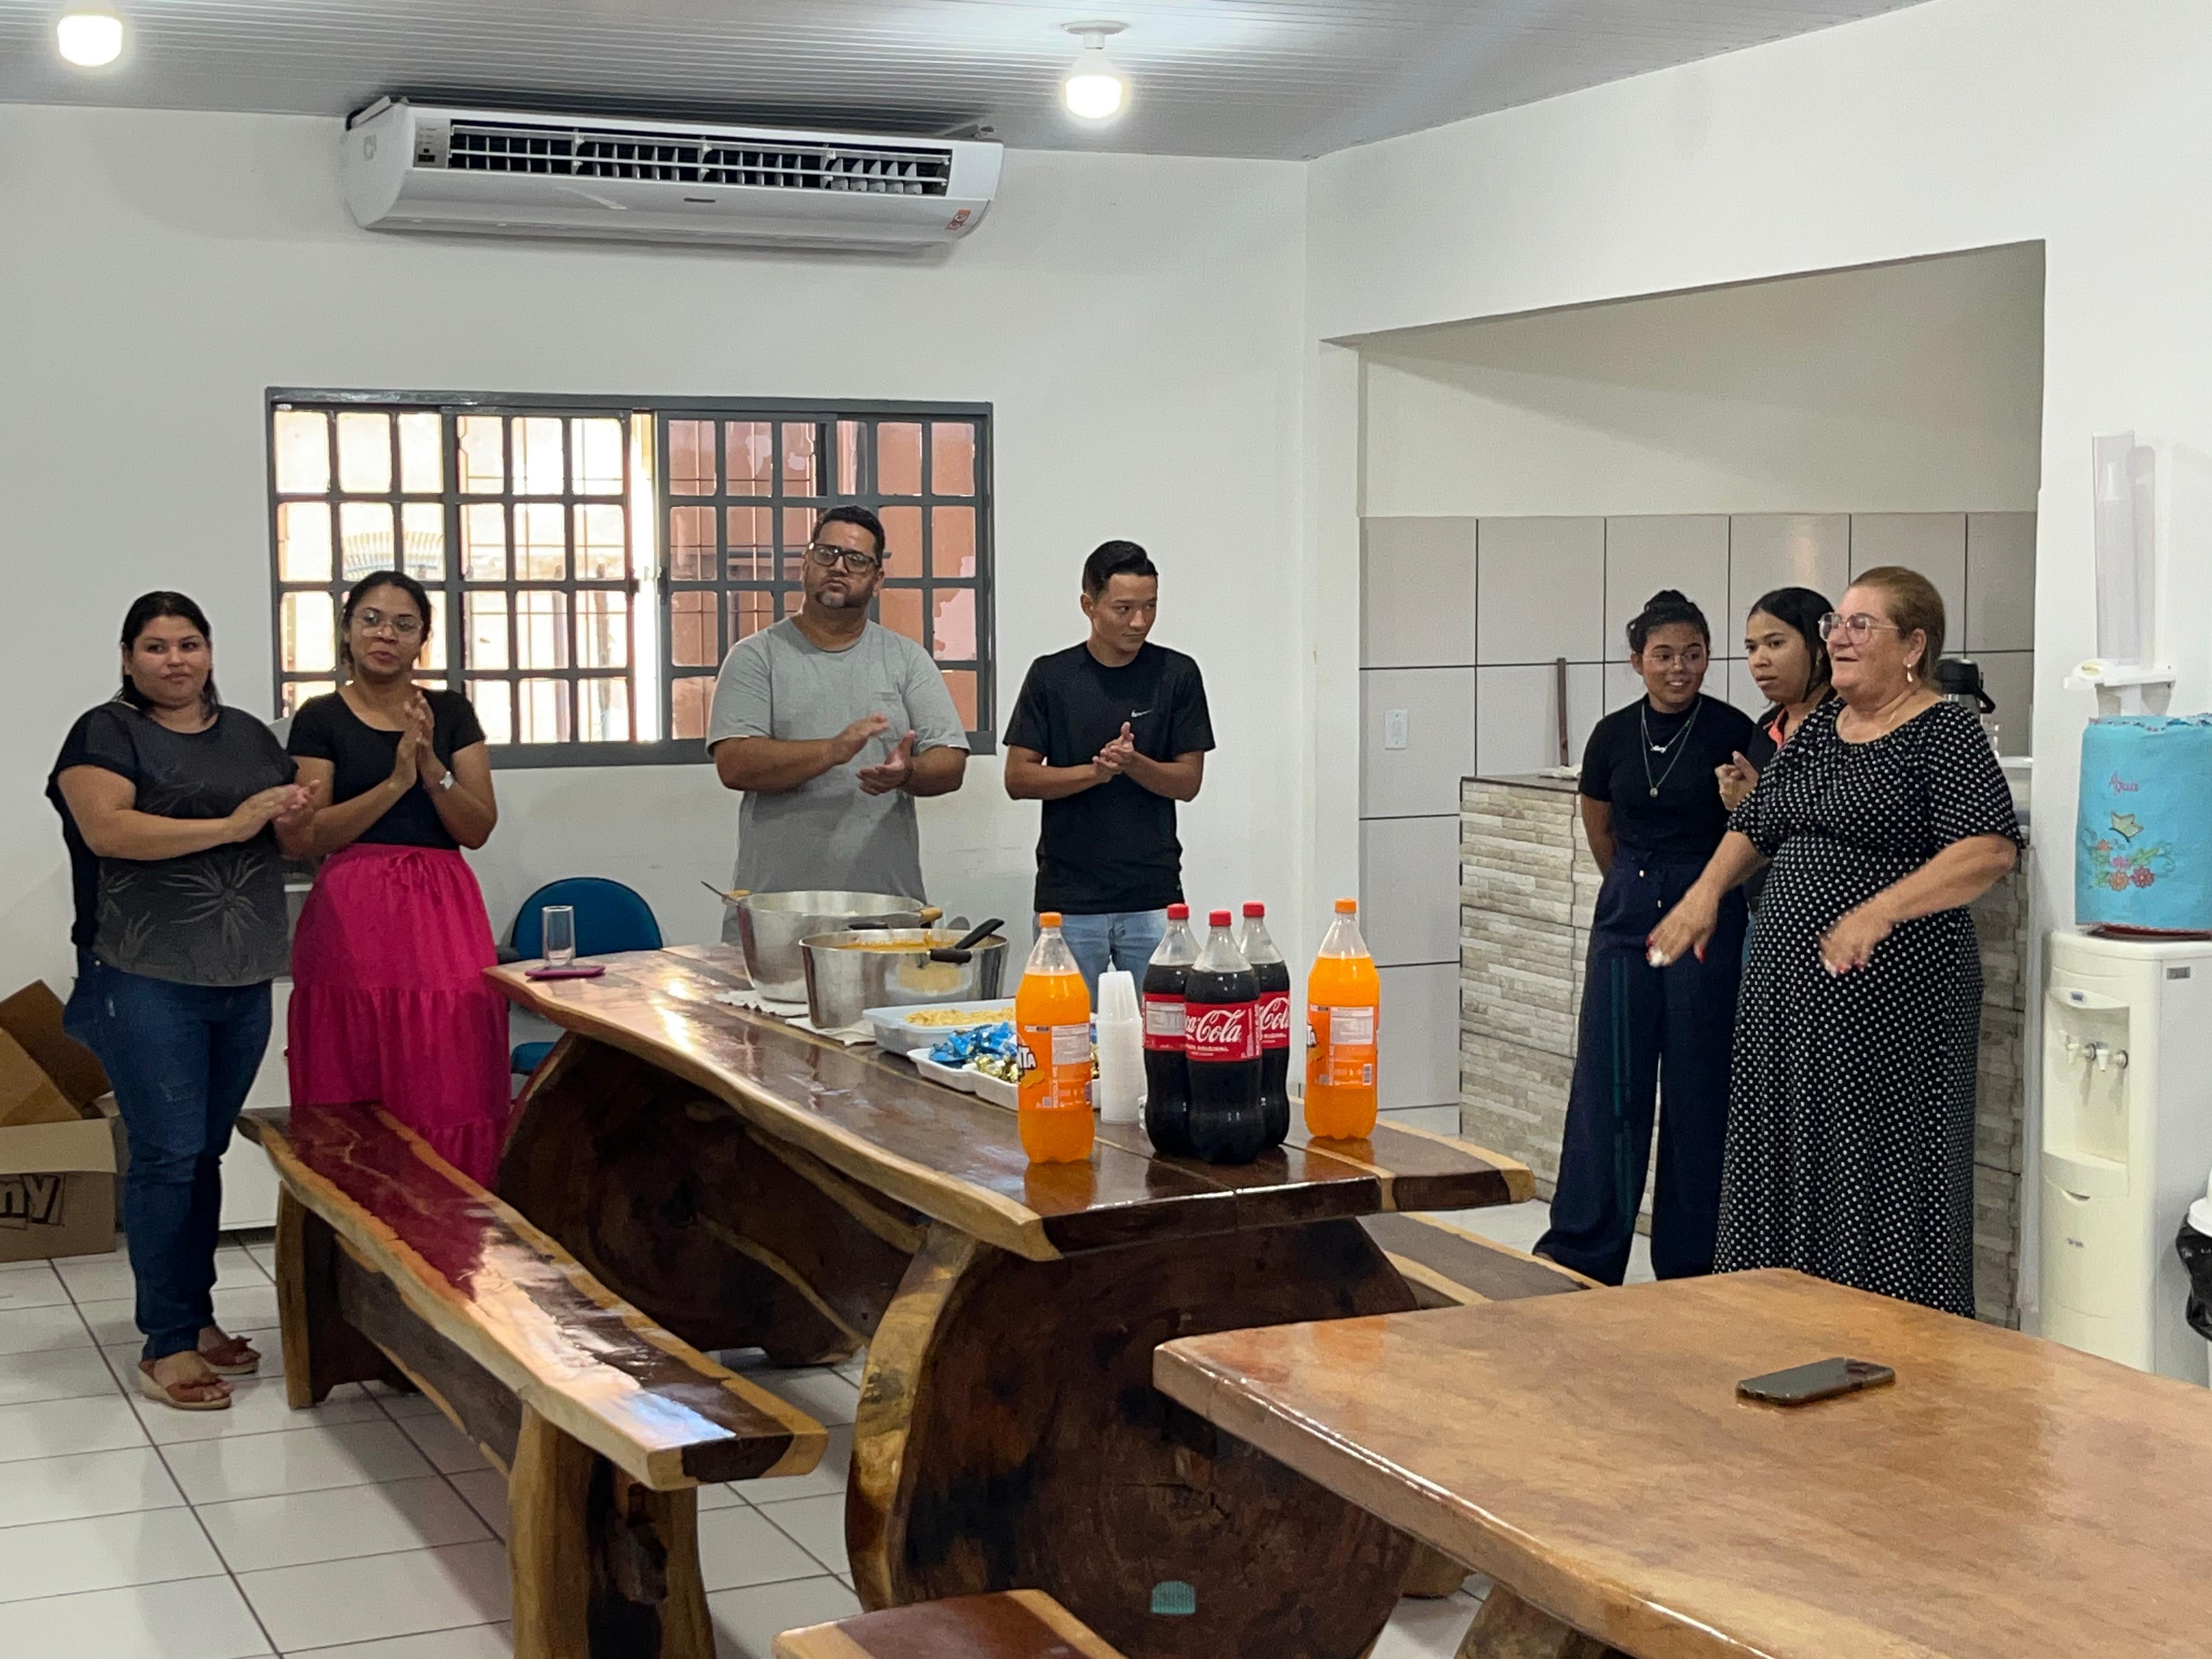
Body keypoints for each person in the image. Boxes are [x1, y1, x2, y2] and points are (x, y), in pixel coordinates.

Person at [1649, 567, 2021, 1317]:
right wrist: (1704, 895)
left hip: (1893, 999)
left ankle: (1884, 1334)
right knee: (1782, 1152)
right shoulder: (1822, 727)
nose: (1839, 638)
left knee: (1875, 1168)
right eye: (1835, 625)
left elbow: (1987, 849)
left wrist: (1878, 912)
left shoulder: (1944, 730)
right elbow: (1759, 822)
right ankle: (1780, 1320)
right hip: (1789, 992)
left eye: (1860, 625)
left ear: (1913, 646)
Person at [48, 592, 311, 1409]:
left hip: (242, 975)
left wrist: (296, 814)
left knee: (202, 1153)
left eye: (190, 644)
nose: (175, 660)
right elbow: (110, 831)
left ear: (210, 652)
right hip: (144, 972)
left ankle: (195, 1319)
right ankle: (165, 1343)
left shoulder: (250, 736)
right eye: (156, 646)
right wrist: (233, 824)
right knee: (165, 1153)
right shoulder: (105, 732)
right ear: (128, 659)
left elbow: (290, 840)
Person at [1532, 590, 1756, 1286]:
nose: (1679, 668)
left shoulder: (1733, 730)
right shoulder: (1611, 734)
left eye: (1693, 654)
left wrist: (1695, 885)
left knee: (1698, 1081)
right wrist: (1633, 885)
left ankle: (1692, 1260)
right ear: (1637, 662)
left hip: (1706, 905)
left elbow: (1754, 828)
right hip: (1627, 901)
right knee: (1610, 1078)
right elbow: (1598, 822)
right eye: (1664, 655)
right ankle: (1584, 1248)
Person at [280, 571, 509, 1186]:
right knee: (353, 1060)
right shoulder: (320, 717)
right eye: (372, 620)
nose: (386, 635)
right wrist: (394, 782)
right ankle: (358, 1218)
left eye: (405, 625)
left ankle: (457, 1217)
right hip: (352, 912)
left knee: (449, 1062)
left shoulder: (451, 712)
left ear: (422, 640)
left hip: (442, 910)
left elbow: (477, 827)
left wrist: (431, 768)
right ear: (348, 630)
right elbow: (311, 834)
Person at [709, 505, 969, 904]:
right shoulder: (755, 657)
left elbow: (951, 763)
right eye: (826, 554)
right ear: (805, 563)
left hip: (885, 909)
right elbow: (734, 763)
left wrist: (908, 772)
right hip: (779, 910)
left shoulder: (907, 659)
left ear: (877, 580)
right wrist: (831, 751)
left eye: (857, 560)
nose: (839, 567)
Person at [1003, 540, 1214, 995]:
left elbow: (1189, 782)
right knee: (1069, 1029)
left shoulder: (1177, 674)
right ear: (1089, 606)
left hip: (1153, 896)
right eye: (1124, 609)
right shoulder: (1051, 676)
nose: (1139, 621)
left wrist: (1134, 763)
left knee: (1161, 1027)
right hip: (1069, 900)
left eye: (1150, 606)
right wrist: (1094, 774)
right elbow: (1018, 778)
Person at [1714, 587, 1836, 963]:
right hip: (1765, 913)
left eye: (1775, 643)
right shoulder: (1769, 726)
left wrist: (1757, 805)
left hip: (1830, 922)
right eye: (1752, 648)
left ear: (1819, 648)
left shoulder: (1848, 727)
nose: (1760, 660)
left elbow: (1836, 831)